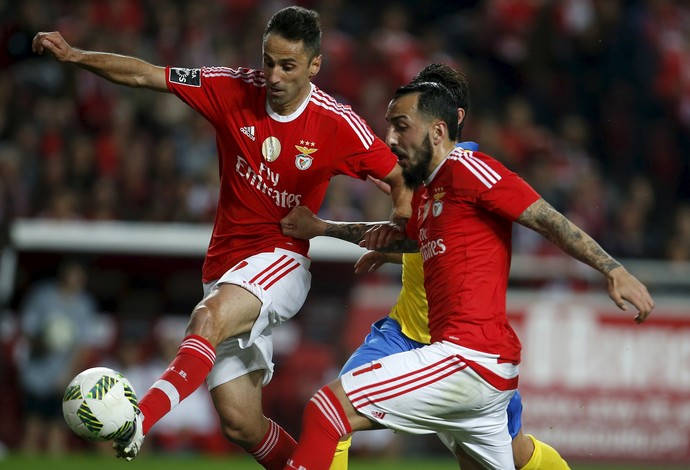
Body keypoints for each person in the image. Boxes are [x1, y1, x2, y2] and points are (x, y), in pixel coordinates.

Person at [32, 6, 410, 468]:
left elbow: (399, 179)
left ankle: (139, 419)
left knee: (206, 319)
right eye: (268, 60)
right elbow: (148, 76)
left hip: (282, 258)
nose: (272, 75)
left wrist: (395, 227)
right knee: (241, 424)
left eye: (287, 66)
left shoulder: (336, 122)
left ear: (314, 65)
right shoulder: (231, 86)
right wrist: (75, 56)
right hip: (224, 266)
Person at [280, 81, 654, 469]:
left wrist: (612, 269)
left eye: (401, 125)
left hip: (468, 359)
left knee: (327, 410)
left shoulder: (470, 170)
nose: (390, 138)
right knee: (507, 455)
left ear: (439, 129)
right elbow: (403, 240)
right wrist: (328, 230)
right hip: (482, 374)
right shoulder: (430, 194)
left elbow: (547, 219)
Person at [15, 259, 99, 455]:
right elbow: (27, 329)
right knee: (33, 427)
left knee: (57, 429)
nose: (74, 280)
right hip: (36, 373)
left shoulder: (85, 305)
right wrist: (45, 340)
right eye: (71, 274)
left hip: (64, 375)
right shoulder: (43, 296)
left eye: (78, 275)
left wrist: (69, 376)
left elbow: (84, 346)